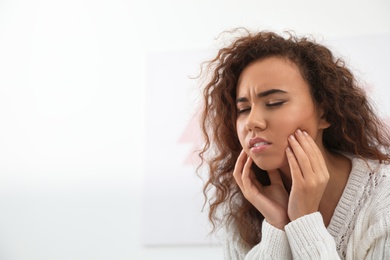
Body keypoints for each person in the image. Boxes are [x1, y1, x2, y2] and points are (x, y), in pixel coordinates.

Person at [197, 28, 390, 259]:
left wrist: (304, 221)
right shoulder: (244, 207)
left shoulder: (383, 201)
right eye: (243, 109)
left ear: (324, 113)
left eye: (274, 102)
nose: (252, 122)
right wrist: (276, 226)